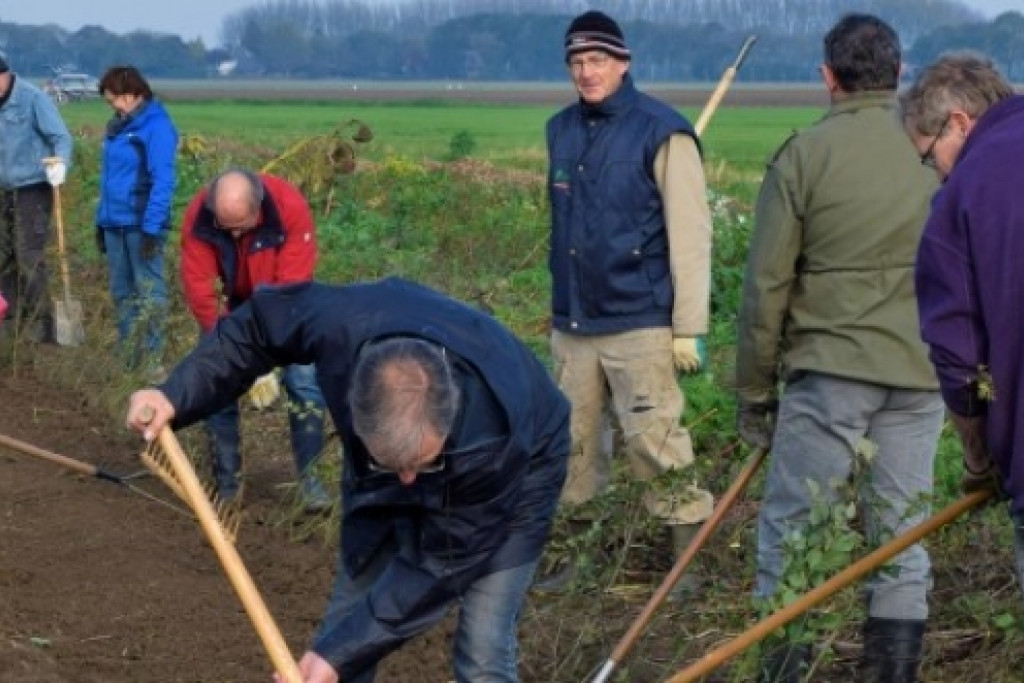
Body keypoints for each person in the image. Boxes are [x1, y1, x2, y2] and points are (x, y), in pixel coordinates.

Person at [124, 277, 571, 683]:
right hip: (378, 473)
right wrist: (174, 393)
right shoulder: (339, 326)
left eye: (420, 464)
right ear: (354, 410)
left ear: (446, 417)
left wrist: (336, 653)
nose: (410, 480)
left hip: (525, 466)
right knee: (347, 620)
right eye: (396, 466)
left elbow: (440, 564)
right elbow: (256, 328)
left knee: (482, 645)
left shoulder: (491, 441)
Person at [735, 15, 944, 682]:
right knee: (902, 536)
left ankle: (784, 674)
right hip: (920, 374)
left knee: (794, 530)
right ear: (900, 71)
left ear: (828, 78)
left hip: (830, 375)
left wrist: (756, 396)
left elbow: (765, 288)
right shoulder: (932, 147)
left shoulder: (803, 155)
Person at [539, 9, 714, 592]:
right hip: (574, 322)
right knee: (573, 447)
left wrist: (687, 325)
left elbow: (690, 234)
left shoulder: (663, 131)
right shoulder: (560, 130)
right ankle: (574, 558)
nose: (586, 72)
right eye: (577, 62)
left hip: (638, 320)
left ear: (623, 64)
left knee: (654, 441)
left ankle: (684, 565)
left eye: (597, 61)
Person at [901, 53, 1024, 605]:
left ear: (958, 122)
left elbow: (965, 363)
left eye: (930, 158)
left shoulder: (963, 197)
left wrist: (980, 455)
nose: (939, 172)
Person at [179, 168, 330, 509]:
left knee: (304, 383)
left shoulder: (289, 207)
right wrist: (236, 348)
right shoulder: (200, 214)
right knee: (216, 383)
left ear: (258, 209)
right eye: (224, 226)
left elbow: (290, 288)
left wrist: (266, 354)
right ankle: (228, 484)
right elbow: (201, 289)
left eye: (240, 226)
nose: (232, 233)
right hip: (229, 305)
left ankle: (310, 482)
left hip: (284, 304)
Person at [96, 65, 177, 376]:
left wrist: (152, 229)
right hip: (113, 221)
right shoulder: (117, 127)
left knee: (149, 293)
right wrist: (100, 221)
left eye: (115, 99)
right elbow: (110, 178)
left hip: (141, 223)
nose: (113, 106)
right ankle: (128, 357)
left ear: (133, 95)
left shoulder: (156, 128)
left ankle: (153, 362)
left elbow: (163, 180)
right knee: (121, 292)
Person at [0, 53, 73, 343]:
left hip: (32, 188)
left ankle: (42, 326)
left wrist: (60, 165)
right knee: (4, 258)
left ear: (5, 76)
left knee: (28, 255)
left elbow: (61, 138)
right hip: (2, 189)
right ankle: (8, 321)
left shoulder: (32, 99)